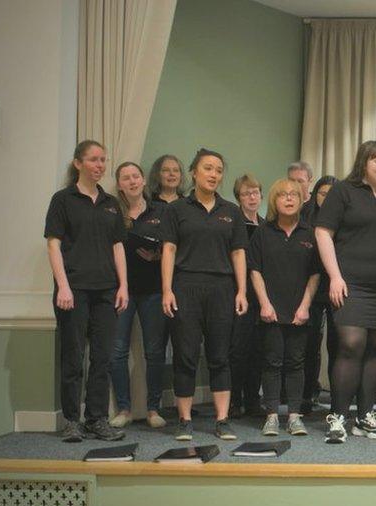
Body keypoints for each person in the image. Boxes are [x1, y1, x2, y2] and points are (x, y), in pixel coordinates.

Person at [315, 140, 376, 443]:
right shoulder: (343, 190)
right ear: (363, 163)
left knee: (374, 349)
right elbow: (323, 232)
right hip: (350, 283)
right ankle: (339, 416)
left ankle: (365, 416)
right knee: (352, 345)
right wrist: (335, 277)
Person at [162, 148, 249, 441]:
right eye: (208, 168)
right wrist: (167, 290)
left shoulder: (232, 212)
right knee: (185, 355)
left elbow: (238, 253)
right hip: (185, 287)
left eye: (218, 170)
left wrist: (242, 291)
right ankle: (184, 420)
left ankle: (222, 420)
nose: (214, 174)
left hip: (222, 290)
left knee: (220, 356)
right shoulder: (176, 210)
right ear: (194, 173)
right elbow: (169, 250)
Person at [45, 140, 129, 443]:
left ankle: (97, 419)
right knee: (73, 356)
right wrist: (63, 285)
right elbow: (53, 244)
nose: (100, 165)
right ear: (78, 163)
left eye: (103, 160)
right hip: (74, 290)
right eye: (94, 159)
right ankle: (72, 420)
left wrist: (124, 286)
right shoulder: (62, 200)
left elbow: (118, 245)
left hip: (106, 290)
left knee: (102, 358)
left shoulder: (110, 203)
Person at [249, 179, 320, 436]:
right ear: (274, 201)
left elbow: (315, 275)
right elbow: (254, 270)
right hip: (270, 310)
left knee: (296, 363)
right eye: (283, 195)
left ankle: (294, 415)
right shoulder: (263, 233)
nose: (289, 199)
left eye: (294, 195)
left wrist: (305, 307)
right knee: (272, 362)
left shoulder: (309, 234)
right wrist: (264, 304)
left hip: (299, 311)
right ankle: (271, 416)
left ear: (301, 200)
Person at [109, 161, 169, 430]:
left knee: (155, 352)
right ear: (119, 184)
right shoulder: (111, 211)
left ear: (144, 180)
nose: (132, 181)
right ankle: (124, 409)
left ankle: (154, 408)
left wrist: (157, 255)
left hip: (154, 290)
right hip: (120, 290)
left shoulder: (162, 210)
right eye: (126, 178)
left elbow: (172, 248)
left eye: (136, 176)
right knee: (117, 351)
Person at [301, 176, 338, 414]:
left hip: (336, 286)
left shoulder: (344, 215)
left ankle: (339, 395)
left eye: (332, 194)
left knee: (338, 344)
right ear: (315, 194)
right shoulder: (305, 215)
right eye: (323, 193)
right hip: (311, 286)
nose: (326, 198)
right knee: (309, 342)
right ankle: (307, 394)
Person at [228, 175, 264, 418]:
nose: (251, 197)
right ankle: (234, 400)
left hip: (261, 293)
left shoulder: (266, 224)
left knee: (258, 349)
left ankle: (253, 399)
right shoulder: (232, 221)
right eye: (245, 193)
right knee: (237, 349)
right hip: (237, 291)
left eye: (255, 192)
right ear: (238, 198)